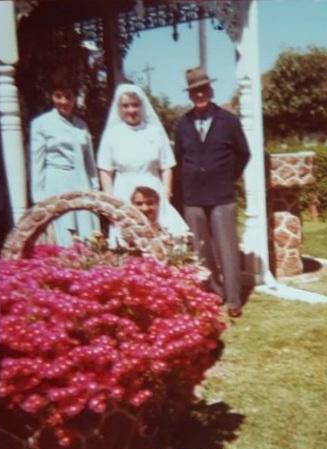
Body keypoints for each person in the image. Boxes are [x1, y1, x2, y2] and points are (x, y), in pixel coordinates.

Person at [174, 67, 250, 318]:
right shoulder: (182, 124)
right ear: (190, 95)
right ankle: (213, 291)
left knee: (227, 248)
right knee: (200, 248)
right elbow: (179, 158)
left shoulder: (228, 120)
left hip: (221, 195)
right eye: (195, 91)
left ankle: (234, 299)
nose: (200, 94)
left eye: (204, 89)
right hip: (193, 197)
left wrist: (227, 177)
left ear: (211, 90)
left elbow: (243, 154)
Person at [97, 83, 189, 245]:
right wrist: (111, 200)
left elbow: (167, 165)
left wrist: (166, 193)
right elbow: (105, 169)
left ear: (142, 106)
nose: (131, 110)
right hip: (123, 191)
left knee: (162, 237)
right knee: (127, 239)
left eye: (135, 105)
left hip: (153, 189)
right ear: (119, 108)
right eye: (126, 106)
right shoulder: (112, 135)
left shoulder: (154, 132)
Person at [29, 69, 99, 246]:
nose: (64, 102)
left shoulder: (81, 125)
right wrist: (39, 198)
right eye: (59, 96)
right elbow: (37, 163)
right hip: (56, 183)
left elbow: (89, 161)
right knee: (64, 234)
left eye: (68, 96)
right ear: (52, 97)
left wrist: (95, 188)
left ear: (75, 98)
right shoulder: (41, 124)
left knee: (87, 235)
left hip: (81, 181)